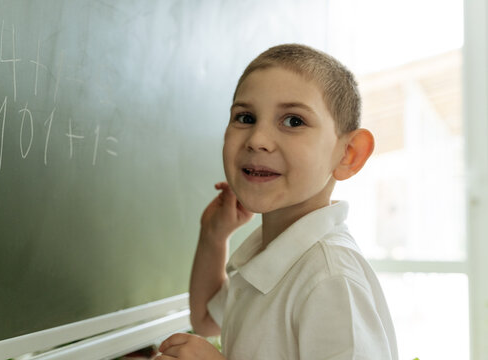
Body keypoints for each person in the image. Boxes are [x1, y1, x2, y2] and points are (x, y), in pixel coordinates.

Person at [156, 44, 398, 360]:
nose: (257, 139)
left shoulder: (330, 277)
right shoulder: (275, 254)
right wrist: (214, 236)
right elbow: (205, 318)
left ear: (348, 154)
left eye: (293, 121)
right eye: (245, 117)